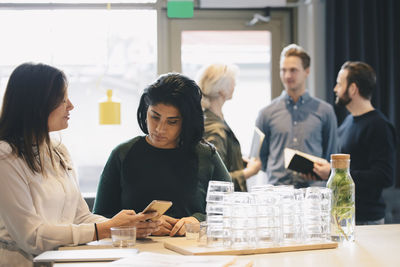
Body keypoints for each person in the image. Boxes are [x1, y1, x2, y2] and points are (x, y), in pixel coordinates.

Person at [0, 63, 160, 266]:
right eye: (62, 99)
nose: (71, 106)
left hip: (62, 260)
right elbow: (31, 236)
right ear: (37, 104)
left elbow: (81, 216)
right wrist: (106, 229)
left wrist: (127, 226)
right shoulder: (6, 156)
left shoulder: (57, 150)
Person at [93, 73, 231, 236]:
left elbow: (230, 212)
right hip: (135, 256)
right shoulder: (123, 154)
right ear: (146, 110)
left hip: (191, 256)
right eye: (154, 117)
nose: (159, 129)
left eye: (172, 121)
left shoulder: (206, 155)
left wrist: (199, 221)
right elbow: (100, 219)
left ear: (187, 122)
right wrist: (138, 226)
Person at [313, 61, 396, 225]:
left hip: (366, 220)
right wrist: (321, 170)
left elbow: (384, 177)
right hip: (342, 216)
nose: (335, 89)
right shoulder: (348, 121)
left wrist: (334, 173)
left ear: (352, 89)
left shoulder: (379, 126)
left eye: (339, 83)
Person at [256, 44, 338, 188]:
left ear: (307, 71)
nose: (287, 75)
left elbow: (331, 154)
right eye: (283, 70)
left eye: (293, 70)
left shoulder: (325, 111)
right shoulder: (266, 113)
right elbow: (261, 157)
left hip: (314, 195)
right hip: (278, 194)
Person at [196, 64, 262, 192]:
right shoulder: (214, 129)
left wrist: (238, 160)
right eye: (233, 82)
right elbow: (215, 180)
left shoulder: (211, 118)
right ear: (221, 90)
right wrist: (249, 172)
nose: (235, 85)